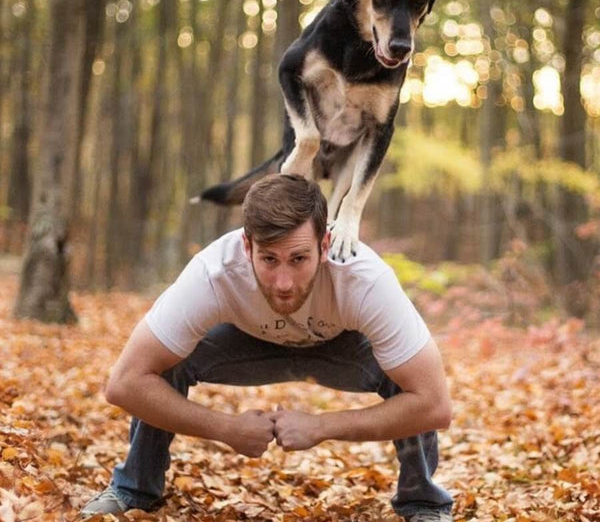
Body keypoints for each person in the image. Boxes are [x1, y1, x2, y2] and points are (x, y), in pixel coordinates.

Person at [81, 174, 454, 521]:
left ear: (324, 245)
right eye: (269, 259)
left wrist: (323, 425)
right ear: (247, 246)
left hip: (339, 347)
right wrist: (225, 428)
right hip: (245, 343)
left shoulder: (364, 278)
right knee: (161, 362)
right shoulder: (214, 272)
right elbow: (125, 384)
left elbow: (435, 405)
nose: (284, 282)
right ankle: (134, 489)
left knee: (408, 378)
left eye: (299, 258)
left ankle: (423, 502)